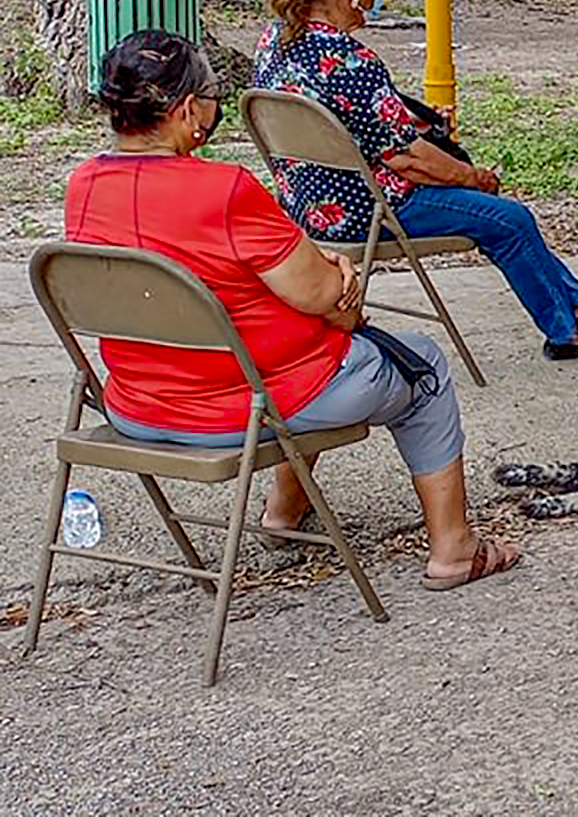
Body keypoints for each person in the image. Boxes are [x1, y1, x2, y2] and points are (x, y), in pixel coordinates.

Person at [68, 32, 519, 590]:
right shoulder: (224, 189)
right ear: (187, 111)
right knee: (421, 367)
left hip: (138, 404)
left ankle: (284, 513)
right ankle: (455, 549)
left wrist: (317, 279)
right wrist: (340, 284)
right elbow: (327, 302)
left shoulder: (83, 185)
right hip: (250, 408)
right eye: (212, 94)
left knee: (302, 356)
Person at [253, 0, 578, 360]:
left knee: (500, 218)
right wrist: (474, 177)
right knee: (508, 219)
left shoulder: (275, 41)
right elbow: (408, 160)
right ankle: (569, 327)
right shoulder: (352, 59)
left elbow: (342, 122)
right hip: (368, 210)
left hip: (306, 205)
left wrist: (415, 126)